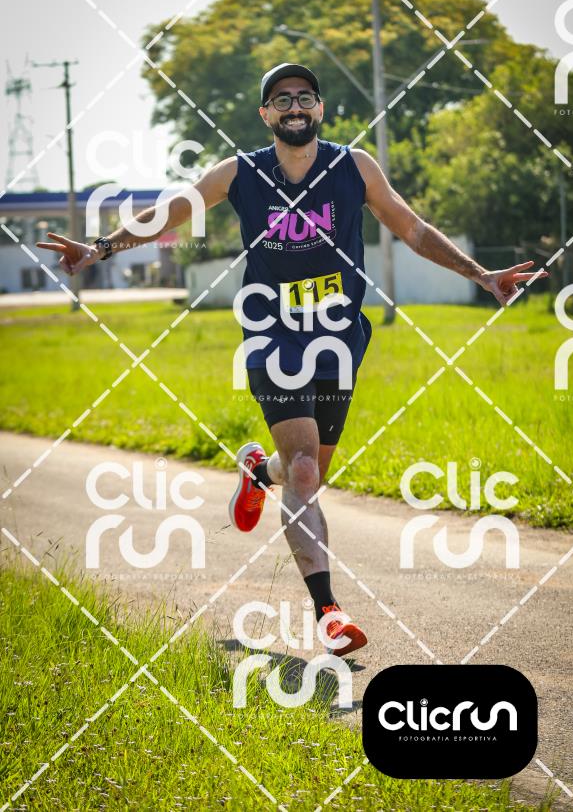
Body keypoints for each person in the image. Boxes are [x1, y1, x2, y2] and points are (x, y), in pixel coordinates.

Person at [37, 62, 545, 657]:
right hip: (272, 334)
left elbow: (411, 228)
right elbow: (171, 211)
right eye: (282, 100)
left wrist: (481, 275)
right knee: (305, 471)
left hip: (338, 338)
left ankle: (260, 472)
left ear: (320, 108)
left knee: (305, 471)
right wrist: (101, 246)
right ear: (266, 114)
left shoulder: (355, 167)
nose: (295, 106)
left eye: (305, 97)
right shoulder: (240, 172)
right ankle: (329, 613)